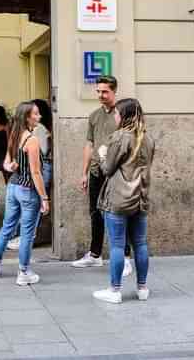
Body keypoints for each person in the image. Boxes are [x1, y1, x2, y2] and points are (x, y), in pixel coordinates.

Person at [93, 98, 155, 304]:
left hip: (119, 199)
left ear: (125, 116)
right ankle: (142, 288)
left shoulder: (120, 137)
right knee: (140, 244)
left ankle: (115, 290)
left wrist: (102, 155)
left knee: (117, 246)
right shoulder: (147, 139)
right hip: (140, 197)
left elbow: (107, 169)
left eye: (118, 113)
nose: (115, 117)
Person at [72, 75, 132, 277]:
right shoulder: (94, 116)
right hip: (97, 171)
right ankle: (95, 254)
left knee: (118, 214)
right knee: (95, 213)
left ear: (114, 91)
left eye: (104, 91)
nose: (100, 95)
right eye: (98, 91)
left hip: (115, 172)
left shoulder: (122, 114)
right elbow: (89, 144)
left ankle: (125, 258)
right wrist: (84, 172)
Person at [0, 102, 50, 285]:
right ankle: (24, 272)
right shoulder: (32, 140)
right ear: (27, 117)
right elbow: (35, 172)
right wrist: (44, 197)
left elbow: (6, 163)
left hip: (13, 187)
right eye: (36, 114)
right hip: (28, 189)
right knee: (27, 233)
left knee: (7, 227)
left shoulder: (14, 135)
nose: (39, 117)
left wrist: (11, 166)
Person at [7, 99, 52, 251]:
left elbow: (40, 157)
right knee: (31, 204)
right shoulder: (35, 131)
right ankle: (25, 237)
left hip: (40, 167)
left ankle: (26, 238)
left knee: (34, 204)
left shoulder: (38, 130)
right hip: (38, 167)